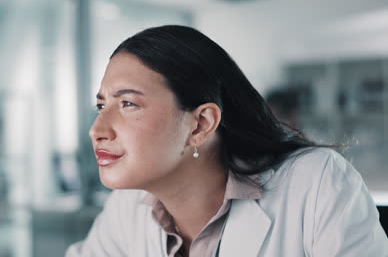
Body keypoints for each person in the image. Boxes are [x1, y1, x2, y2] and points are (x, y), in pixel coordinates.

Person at [65, 25, 388, 257]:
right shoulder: (128, 205)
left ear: (200, 124)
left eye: (128, 104)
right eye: (101, 105)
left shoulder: (314, 182)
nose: (97, 129)